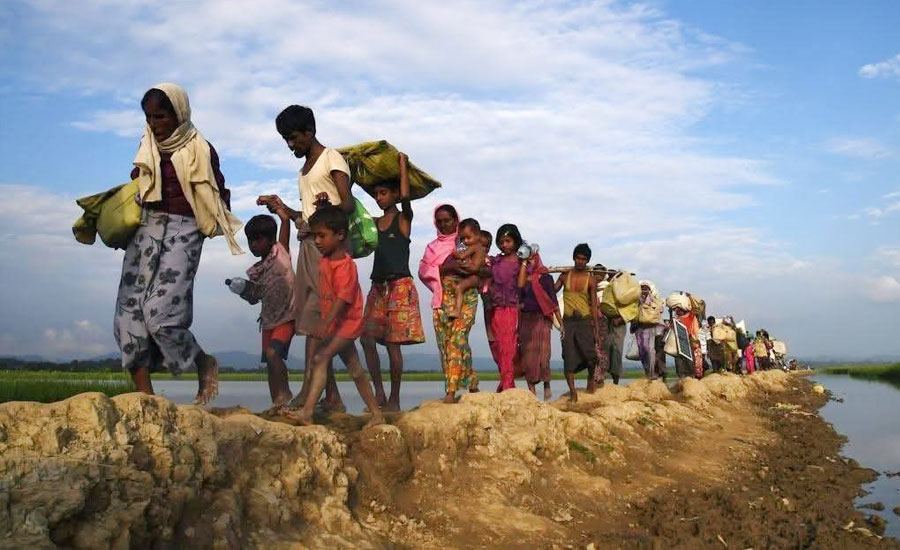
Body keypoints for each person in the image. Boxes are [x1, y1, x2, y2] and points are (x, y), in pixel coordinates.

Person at [116, 83, 242, 404]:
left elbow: (218, 193)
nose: (154, 124)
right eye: (149, 117)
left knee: (161, 313)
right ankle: (147, 400)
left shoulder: (201, 149)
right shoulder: (147, 145)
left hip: (184, 230)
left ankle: (203, 362)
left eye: (160, 117)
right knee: (128, 315)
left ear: (179, 114)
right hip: (146, 228)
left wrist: (211, 219)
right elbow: (139, 180)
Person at [259, 105, 349, 413]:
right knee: (314, 320)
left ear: (309, 132)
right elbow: (308, 217)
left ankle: (309, 392)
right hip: (309, 247)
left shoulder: (331, 159)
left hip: (329, 252)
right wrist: (284, 209)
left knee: (315, 320)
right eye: (286, 139)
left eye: (293, 138)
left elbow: (346, 205)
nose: (290, 145)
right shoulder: (304, 171)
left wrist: (326, 209)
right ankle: (332, 397)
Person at [285, 206, 384, 427]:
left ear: (339, 235)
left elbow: (342, 299)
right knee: (355, 369)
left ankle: (307, 412)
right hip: (337, 323)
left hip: (346, 323)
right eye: (314, 236)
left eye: (322, 236)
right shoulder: (325, 261)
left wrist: (325, 323)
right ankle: (377, 413)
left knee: (320, 358)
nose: (317, 241)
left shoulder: (345, 266)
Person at [359, 153, 425, 412]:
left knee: (393, 344)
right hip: (379, 285)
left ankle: (395, 398)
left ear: (395, 194)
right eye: (376, 195)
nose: (378, 198)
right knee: (366, 339)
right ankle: (379, 393)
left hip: (399, 285)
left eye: (383, 193)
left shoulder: (403, 220)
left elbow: (406, 200)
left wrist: (401, 166)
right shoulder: (374, 224)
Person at [418, 205, 480, 403]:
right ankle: (472, 384)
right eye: (440, 221)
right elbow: (423, 270)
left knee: (457, 339)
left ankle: (450, 392)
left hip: (467, 296)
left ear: (457, 221)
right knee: (447, 345)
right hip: (442, 298)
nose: (444, 225)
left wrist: (469, 270)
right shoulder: (432, 248)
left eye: (448, 220)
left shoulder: (467, 240)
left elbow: (485, 267)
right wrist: (446, 267)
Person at [238, 212, 295, 407]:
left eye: (258, 240)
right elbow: (254, 299)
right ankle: (276, 403)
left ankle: (285, 393)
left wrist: (282, 214)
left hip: (287, 317)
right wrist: (245, 292)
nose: (253, 244)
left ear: (271, 239)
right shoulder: (256, 271)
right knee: (270, 363)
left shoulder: (280, 252)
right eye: (250, 241)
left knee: (273, 354)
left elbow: (285, 224)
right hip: (269, 320)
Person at [555, 244, 601, 402]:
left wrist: (596, 329)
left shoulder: (591, 279)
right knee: (568, 357)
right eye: (578, 258)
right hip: (568, 322)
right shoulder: (564, 276)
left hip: (584, 321)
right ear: (573, 258)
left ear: (587, 261)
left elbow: (594, 305)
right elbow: (552, 291)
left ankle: (590, 379)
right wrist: (539, 277)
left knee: (590, 356)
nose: (580, 261)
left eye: (583, 259)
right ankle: (573, 391)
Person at [517, 252, 561, 400]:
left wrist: (562, 325)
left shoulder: (546, 278)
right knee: (528, 356)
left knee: (544, 355)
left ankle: (546, 384)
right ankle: (532, 391)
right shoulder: (523, 278)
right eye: (526, 260)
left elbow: (553, 302)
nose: (529, 262)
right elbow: (519, 295)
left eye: (531, 259)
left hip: (542, 319)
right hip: (526, 319)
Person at [489, 224, 524, 392]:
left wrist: (524, 264)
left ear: (516, 242)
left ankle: (508, 383)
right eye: (501, 242)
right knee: (498, 346)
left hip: (510, 308)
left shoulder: (520, 262)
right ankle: (505, 381)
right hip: (495, 308)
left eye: (508, 241)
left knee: (508, 346)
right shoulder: (496, 260)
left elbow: (521, 284)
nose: (504, 245)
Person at [448, 219, 487, 318]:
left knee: (459, 287)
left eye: (468, 238)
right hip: (474, 274)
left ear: (477, 235)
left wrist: (453, 252)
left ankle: (457, 310)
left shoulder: (475, 246)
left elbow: (462, 256)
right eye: (463, 239)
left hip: (475, 275)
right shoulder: (478, 246)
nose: (465, 241)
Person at [632, 281, 664, 380]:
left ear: (649, 290)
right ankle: (647, 372)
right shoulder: (636, 299)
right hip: (639, 327)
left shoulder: (653, 300)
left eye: (646, 288)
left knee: (649, 349)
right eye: (642, 288)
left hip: (649, 327)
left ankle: (652, 372)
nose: (644, 290)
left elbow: (659, 309)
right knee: (642, 351)